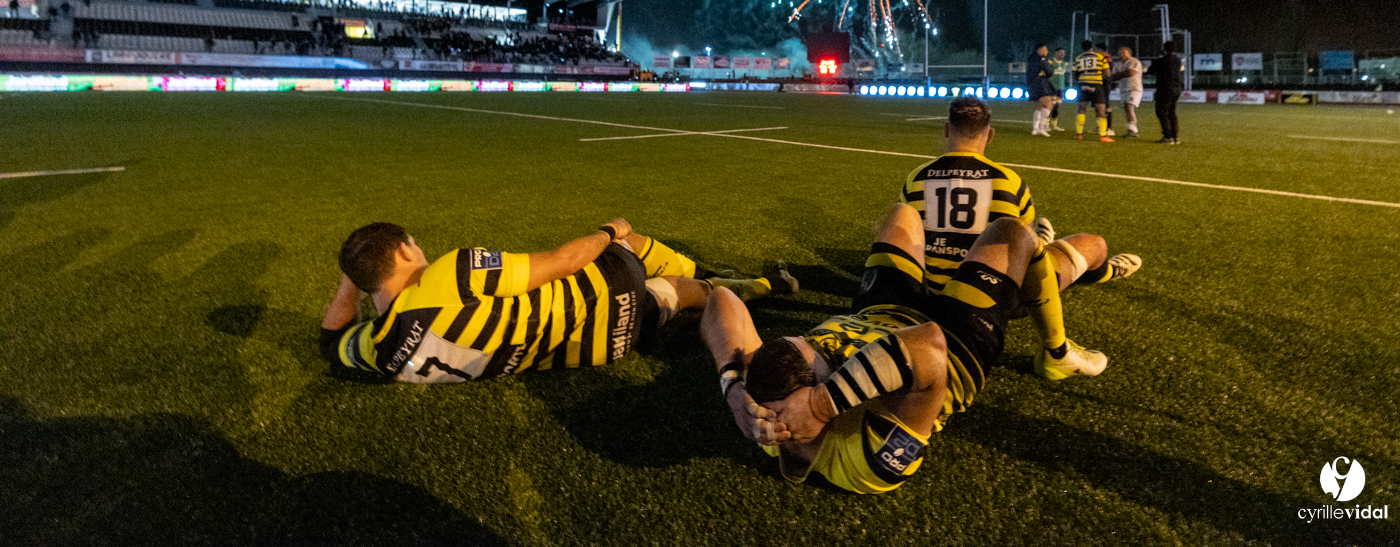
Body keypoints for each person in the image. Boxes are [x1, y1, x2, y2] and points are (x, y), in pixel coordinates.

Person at [702, 200, 1114, 494]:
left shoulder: (766, 405)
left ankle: (981, 273)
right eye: (833, 359)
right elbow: (927, 346)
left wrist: (733, 388)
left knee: (902, 213)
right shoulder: (868, 459)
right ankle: (1056, 346)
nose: (828, 347)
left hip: (882, 310)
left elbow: (722, 300)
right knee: (1016, 234)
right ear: (799, 417)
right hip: (957, 339)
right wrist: (822, 405)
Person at [321, 218, 794, 382]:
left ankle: (739, 286)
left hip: (607, 344)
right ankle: (746, 283)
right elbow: (565, 261)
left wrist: (354, 271)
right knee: (628, 245)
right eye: (415, 245)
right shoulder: (449, 274)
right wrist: (609, 230)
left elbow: (330, 338)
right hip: (608, 287)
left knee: (681, 297)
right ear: (405, 251)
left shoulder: (379, 351)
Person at [900, 97, 1141, 295]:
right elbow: (1023, 247)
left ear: (946, 130)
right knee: (1094, 245)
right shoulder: (1009, 180)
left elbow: (907, 239)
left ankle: (1044, 242)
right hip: (995, 294)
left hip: (930, 289)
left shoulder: (916, 178)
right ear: (990, 135)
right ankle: (1107, 272)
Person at [1073, 40, 1113, 142]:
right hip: (1096, 85)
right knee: (1100, 110)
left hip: (1083, 85)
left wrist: (1083, 76)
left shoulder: (1078, 58)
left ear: (1083, 48)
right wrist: (1098, 77)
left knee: (1081, 109)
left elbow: (1074, 75)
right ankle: (1103, 136)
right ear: (1092, 48)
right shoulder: (1100, 57)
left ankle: (1079, 134)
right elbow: (1107, 73)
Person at [1146, 40, 1183, 144]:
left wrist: (1156, 61)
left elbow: (1150, 70)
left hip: (1164, 89)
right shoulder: (1177, 60)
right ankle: (1175, 136)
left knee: (1162, 112)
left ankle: (1167, 136)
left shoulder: (1161, 61)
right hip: (1176, 89)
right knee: (1172, 112)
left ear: (1164, 49)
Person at [1111, 46, 1145, 137]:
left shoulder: (1134, 61)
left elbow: (1130, 73)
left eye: (1123, 52)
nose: (1121, 54)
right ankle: (1131, 130)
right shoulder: (1118, 64)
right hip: (1123, 89)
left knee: (1129, 106)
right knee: (1126, 109)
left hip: (1134, 88)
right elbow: (1113, 76)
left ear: (1129, 53)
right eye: (1120, 53)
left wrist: (1118, 75)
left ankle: (1133, 129)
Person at [1025, 43, 1057, 137]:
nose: (1047, 51)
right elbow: (1048, 71)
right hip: (1040, 84)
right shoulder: (1042, 59)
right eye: (1045, 49)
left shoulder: (1031, 59)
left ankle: (1035, 129)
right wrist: (1047, 70)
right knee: (1049, 105)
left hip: (1032, 85)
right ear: (1040, 50)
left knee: (1039, 107)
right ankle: (1041, 128)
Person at [1048, 46, 1068, 130]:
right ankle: (1046, 125)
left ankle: (1054, 125)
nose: (1063, 54)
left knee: (1056, 107)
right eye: (1061, 52)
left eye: (1063, 53)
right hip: (1052, 87)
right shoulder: (1051, 62)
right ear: (1056, 53)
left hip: (1060, 88)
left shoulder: (1064, 64)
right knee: (1049, 106)